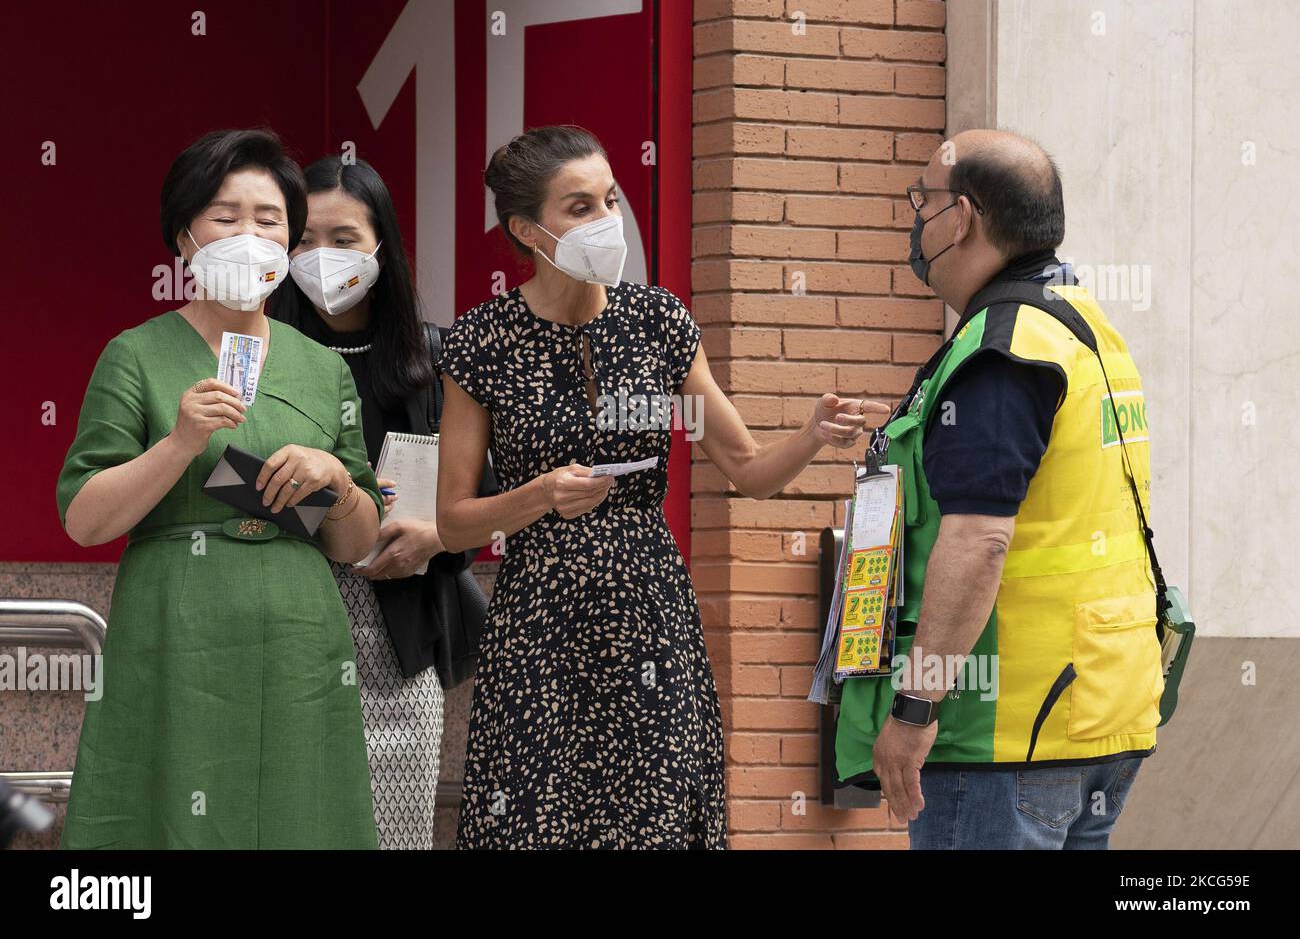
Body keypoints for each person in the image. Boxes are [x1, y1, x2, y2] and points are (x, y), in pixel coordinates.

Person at [436, 125, 879, 849]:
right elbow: (454, 523)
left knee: (656, 814)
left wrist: (810, 434)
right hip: (539, 619)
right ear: (526, 229)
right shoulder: (480, 342)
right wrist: (540, 495)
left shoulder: (659, 324)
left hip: (649, 608)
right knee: (530, 815)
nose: (605, 220)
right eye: (578, 207)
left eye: (609, 200)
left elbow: (747, 467)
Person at [55, 128, 383, 849]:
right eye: (225, 217)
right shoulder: (136, 354)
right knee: (168, 812)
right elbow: (84, 519)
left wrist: (336, 481)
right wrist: (177, 445)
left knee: (300, 811)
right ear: (185, 239)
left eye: (268, 220)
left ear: (291, 240)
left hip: (299, 634)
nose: (250, 235)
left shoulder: (323, 368)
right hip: (179, 628)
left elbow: (357, 541)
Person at [835, 129, 1163, 850]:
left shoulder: (1003, 346)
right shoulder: (1080, 326)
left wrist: (914, 709)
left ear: (963, 218)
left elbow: (980, 539)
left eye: (923, 200)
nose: (916, 220)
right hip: (1096, 712)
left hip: (1003, 732)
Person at [272, 154, 495, 849]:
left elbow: (487, 492)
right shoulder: (259, 355)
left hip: (398, 634)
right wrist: (340, 523)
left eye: (343, 240)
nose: (321, 258)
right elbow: (231, 474)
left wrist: (437, 533)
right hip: (286, 623)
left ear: (381, 247)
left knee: (393, 832)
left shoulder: (437, 359)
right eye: (304, 240)